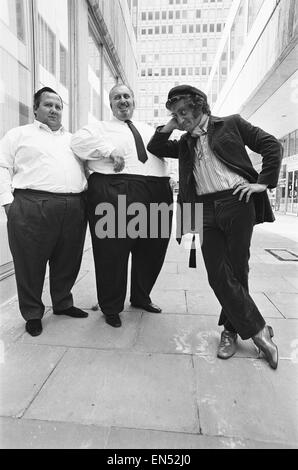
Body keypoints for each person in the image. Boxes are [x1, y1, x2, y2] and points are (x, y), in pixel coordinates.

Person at [147, 84, 282, 369]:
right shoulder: (185, 141)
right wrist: (174, 123)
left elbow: (271, 144)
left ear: (199, 106)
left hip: (237, 202)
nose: (181, 118)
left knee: (237, 270)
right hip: (203, 210)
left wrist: (263, 182)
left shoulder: (231, 123)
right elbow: (155, 146)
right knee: (217, 275)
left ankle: (230, 332)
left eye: (184, 111)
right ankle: (259, 331)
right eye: (176, 114)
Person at [71, 84, 173, 328]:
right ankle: (111, 306)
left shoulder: (150, 130)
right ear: (111, 103)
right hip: (115, 190)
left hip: (156, 192)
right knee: (112, 253)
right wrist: (109, 150)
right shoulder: (98, 128)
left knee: (152, 250)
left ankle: (140, 297)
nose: (122, 100)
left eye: (126, 96)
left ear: (134, 101)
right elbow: (77, 142)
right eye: (117, 97)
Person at [0, 87, 88, 337]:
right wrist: (8, 203)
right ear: (36, 108)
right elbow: (1, 165)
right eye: (48, 105)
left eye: (58, 106)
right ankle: (33, 313)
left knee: (68, 260)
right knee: (30, 263)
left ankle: (62, 303)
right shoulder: (18, 135)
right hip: (31, 204)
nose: (54, 110)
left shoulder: (74, 139)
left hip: (73, 206)